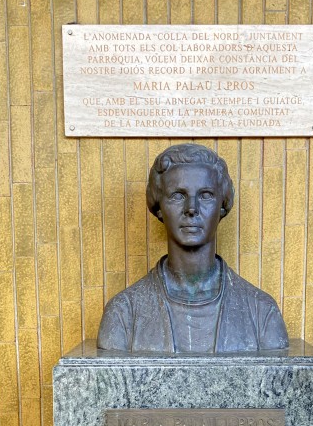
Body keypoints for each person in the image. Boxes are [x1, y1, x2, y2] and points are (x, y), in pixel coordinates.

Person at [97, 143, 289, 353]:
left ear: (222, 206)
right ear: (159, 207)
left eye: (206, 195)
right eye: (178, 195)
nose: (192, 209)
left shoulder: (261, 312)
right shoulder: (124, 314)